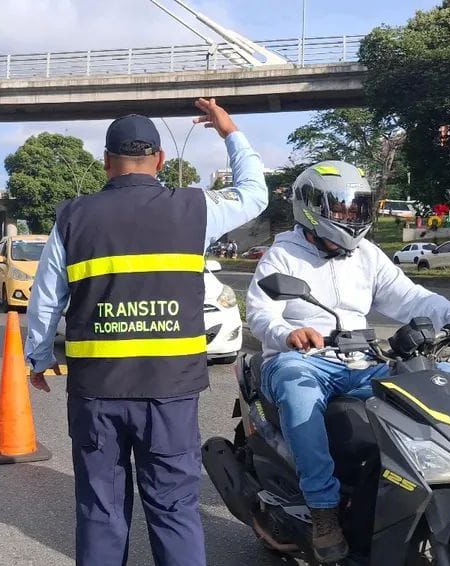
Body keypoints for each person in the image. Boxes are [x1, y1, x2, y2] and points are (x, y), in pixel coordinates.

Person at [25, 98, 269, 566]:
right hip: (169, 393)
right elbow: (254, 194)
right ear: (160, 160)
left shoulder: (73, 217)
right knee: (175, 509)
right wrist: (229, 131)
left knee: (101, 509)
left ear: (106, 161)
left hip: (97, 392)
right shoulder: (195, 208)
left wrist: (38, 357)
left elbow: (46, 296)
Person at [245, 161, 450, 563]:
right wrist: (287, 333)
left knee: (444, 375)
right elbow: (261, 313)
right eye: (340, 207)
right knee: (299, 393)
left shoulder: (366, 254)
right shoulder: (283, 255)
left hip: (362, 359)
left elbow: (409, 297)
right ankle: (323, 510)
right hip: (303, 359)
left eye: (357, 207)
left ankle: (448, 478)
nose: (350, 216)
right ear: (311, 208)